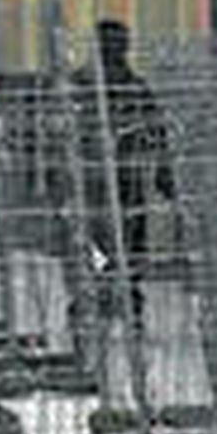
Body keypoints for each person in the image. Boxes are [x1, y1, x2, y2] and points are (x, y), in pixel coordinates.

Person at [74, 18, 175, 329]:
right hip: (98, 181)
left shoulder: (132, 87)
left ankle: (121, 295)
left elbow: (156, 131)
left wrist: (162, 174)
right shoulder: (82, 86)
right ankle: (109, 296)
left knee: (123, 243)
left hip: (120, 180)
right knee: (107, 243)